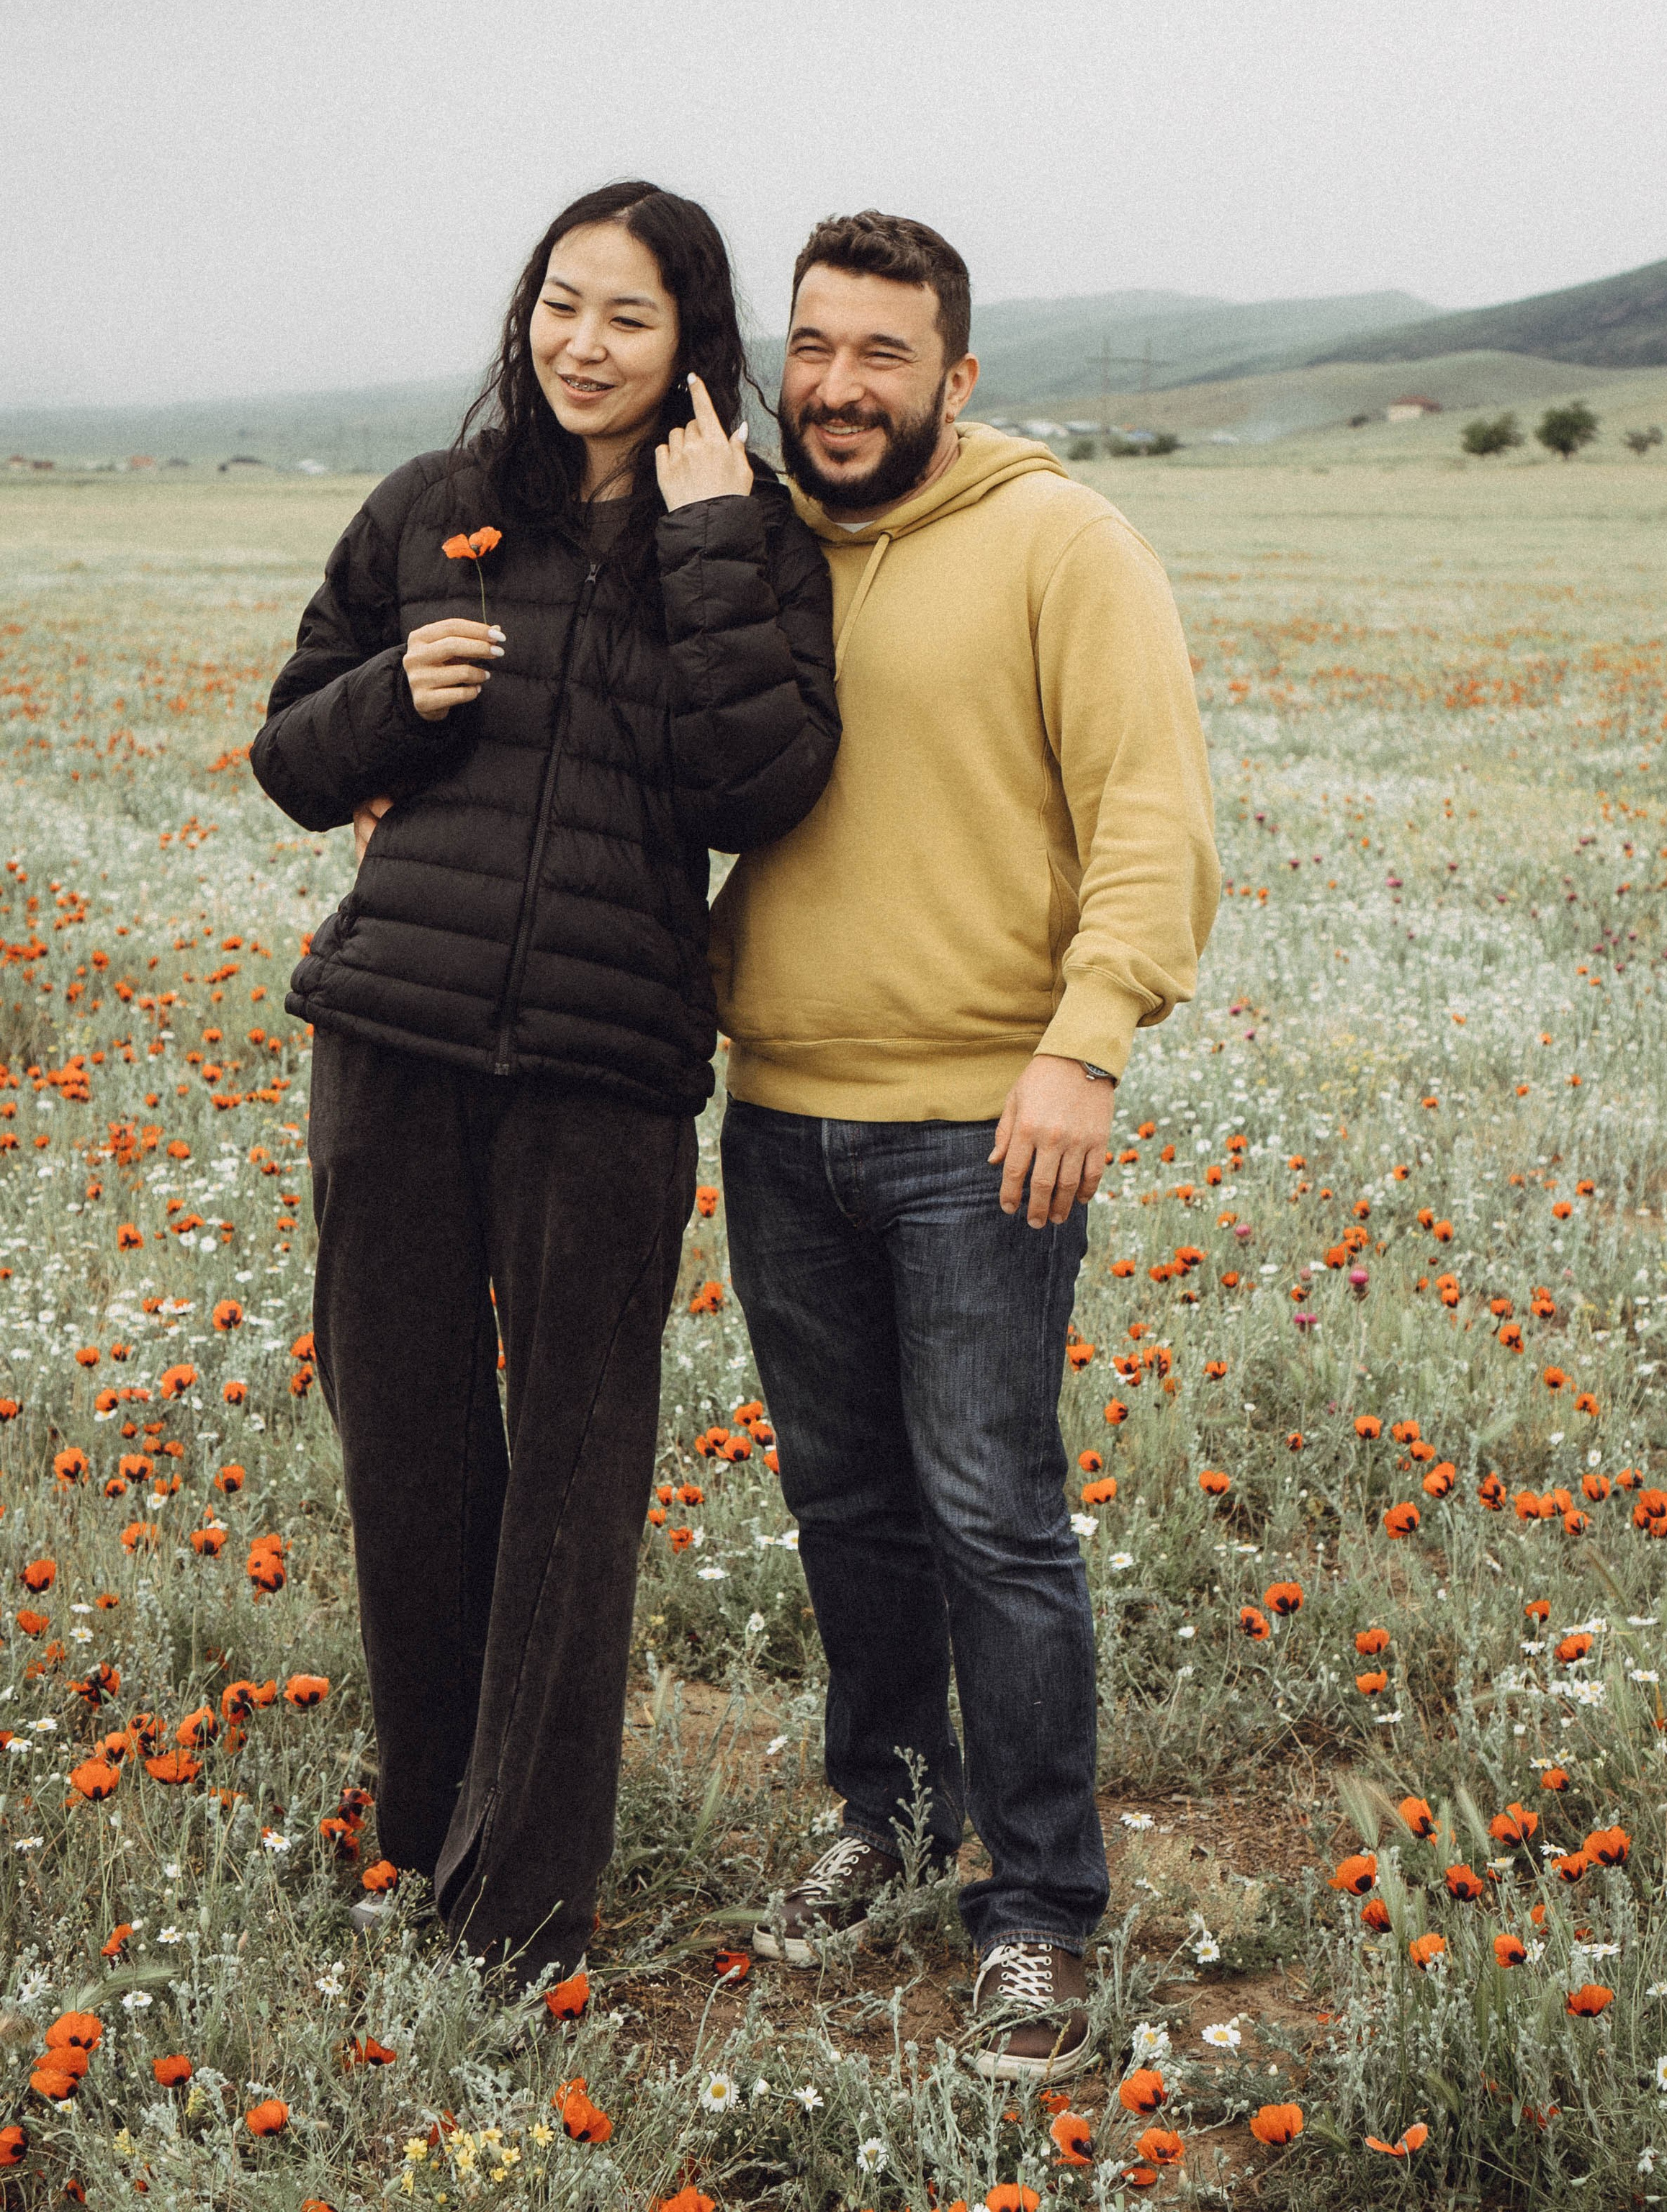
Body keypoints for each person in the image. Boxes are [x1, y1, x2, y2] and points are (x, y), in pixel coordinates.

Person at [251, 180, 838, 1991]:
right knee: (411, 1458)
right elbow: (288, 750)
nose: (582, 345)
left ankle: (519, 1916)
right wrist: (386, 705)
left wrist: (719, 541)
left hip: (604, 1070)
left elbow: (764, 787)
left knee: (576, 1484)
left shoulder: (748, 535)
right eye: (559, 306)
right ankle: (426, 1840)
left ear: (691, 348)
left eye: (627, 320)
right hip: (394, 1043)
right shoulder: (431, 513)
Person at [714, 210, 1218, 2082]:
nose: (840, 390)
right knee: (846, 1507)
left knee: (993, 1516)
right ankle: (894, 1815)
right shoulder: (746, 542)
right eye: (815, 350)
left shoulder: (1058, 541)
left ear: (957, 375)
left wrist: (1084, 1049)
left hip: (980, 1129)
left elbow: (1150, 810)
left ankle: (1042, 1911)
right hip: (777, 1114)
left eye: (883, 357)